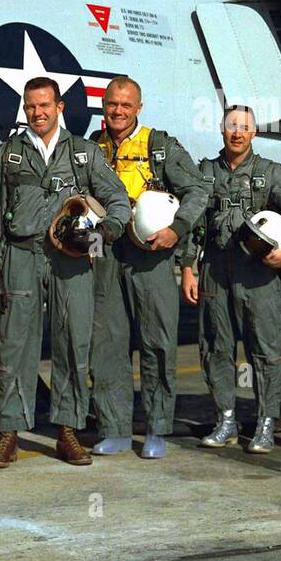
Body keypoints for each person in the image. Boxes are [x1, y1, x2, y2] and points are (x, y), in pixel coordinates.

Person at [0, 77, 130, 469]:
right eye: (30, 106)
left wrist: (105, 232)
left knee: (73, 344)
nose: (37, 112)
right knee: (14, 347)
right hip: (21, 257)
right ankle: (8, 433)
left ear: (59, 107)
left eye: (44, 105)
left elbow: (118, 200)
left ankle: (68, 431)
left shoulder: (84, 153)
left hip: (71, 260)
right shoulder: (5, 155)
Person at [181, 105, 281, 453]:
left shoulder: (271, 174)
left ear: (254, 133)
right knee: (215, 346)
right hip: (215, 271)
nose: (237, 133)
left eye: (244, 127)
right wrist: (187, 268)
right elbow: (192, 224)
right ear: (221, 130)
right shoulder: (204, 174)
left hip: (258, 274)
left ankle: (266, 422)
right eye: (231, 127)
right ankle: (226, 419)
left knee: (265, 350)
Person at [89, 76, 209, 458]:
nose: (118, 111)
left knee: (157, 344)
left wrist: (178, 230)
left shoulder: (161, 147)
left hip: (151, 256)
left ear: (138, 108)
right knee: (108, 344)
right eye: (112, 104)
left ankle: (157, 429)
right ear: (103, 105)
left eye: (126, 105)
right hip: (106, 255)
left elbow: (199, 190)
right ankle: (116, 428)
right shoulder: (92, 147)